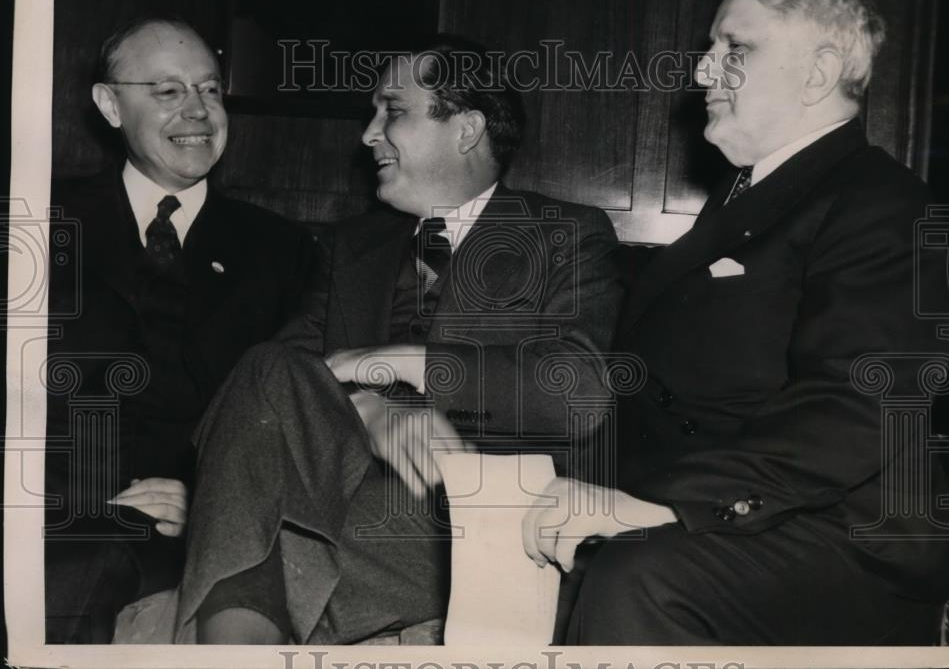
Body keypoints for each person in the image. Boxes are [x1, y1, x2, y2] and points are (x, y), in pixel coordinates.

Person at [522, 0, 949, 645]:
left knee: (638, 577)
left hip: (840, 548)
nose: (700, 72)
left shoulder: (884, 203)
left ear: (817, 72)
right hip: (736, 514)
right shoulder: (747, 193)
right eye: (709, 48)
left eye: (735, 49)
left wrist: (660, 506)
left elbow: (859, 406)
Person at [174, 36, 622, 644]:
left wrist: (408, 364)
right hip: (336, 488)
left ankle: (232, 638)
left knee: (251, 535)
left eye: (394, 111)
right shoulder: (352, 245)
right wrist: (368, 405)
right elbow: (278, 383)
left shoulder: (564, 234)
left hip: (466, 510)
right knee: (264, 364)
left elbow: (579, 395)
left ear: (465, 129)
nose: (368, 134)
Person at [45, 16, 316, 643]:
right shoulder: (37, 218)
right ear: (111, 105)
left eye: (211, 90)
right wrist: (83, 500)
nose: (198, 112)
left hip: (187, 529)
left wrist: (204, 497)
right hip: (51, 507)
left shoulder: (281, 250)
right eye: (167, 92)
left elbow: (289, 414)